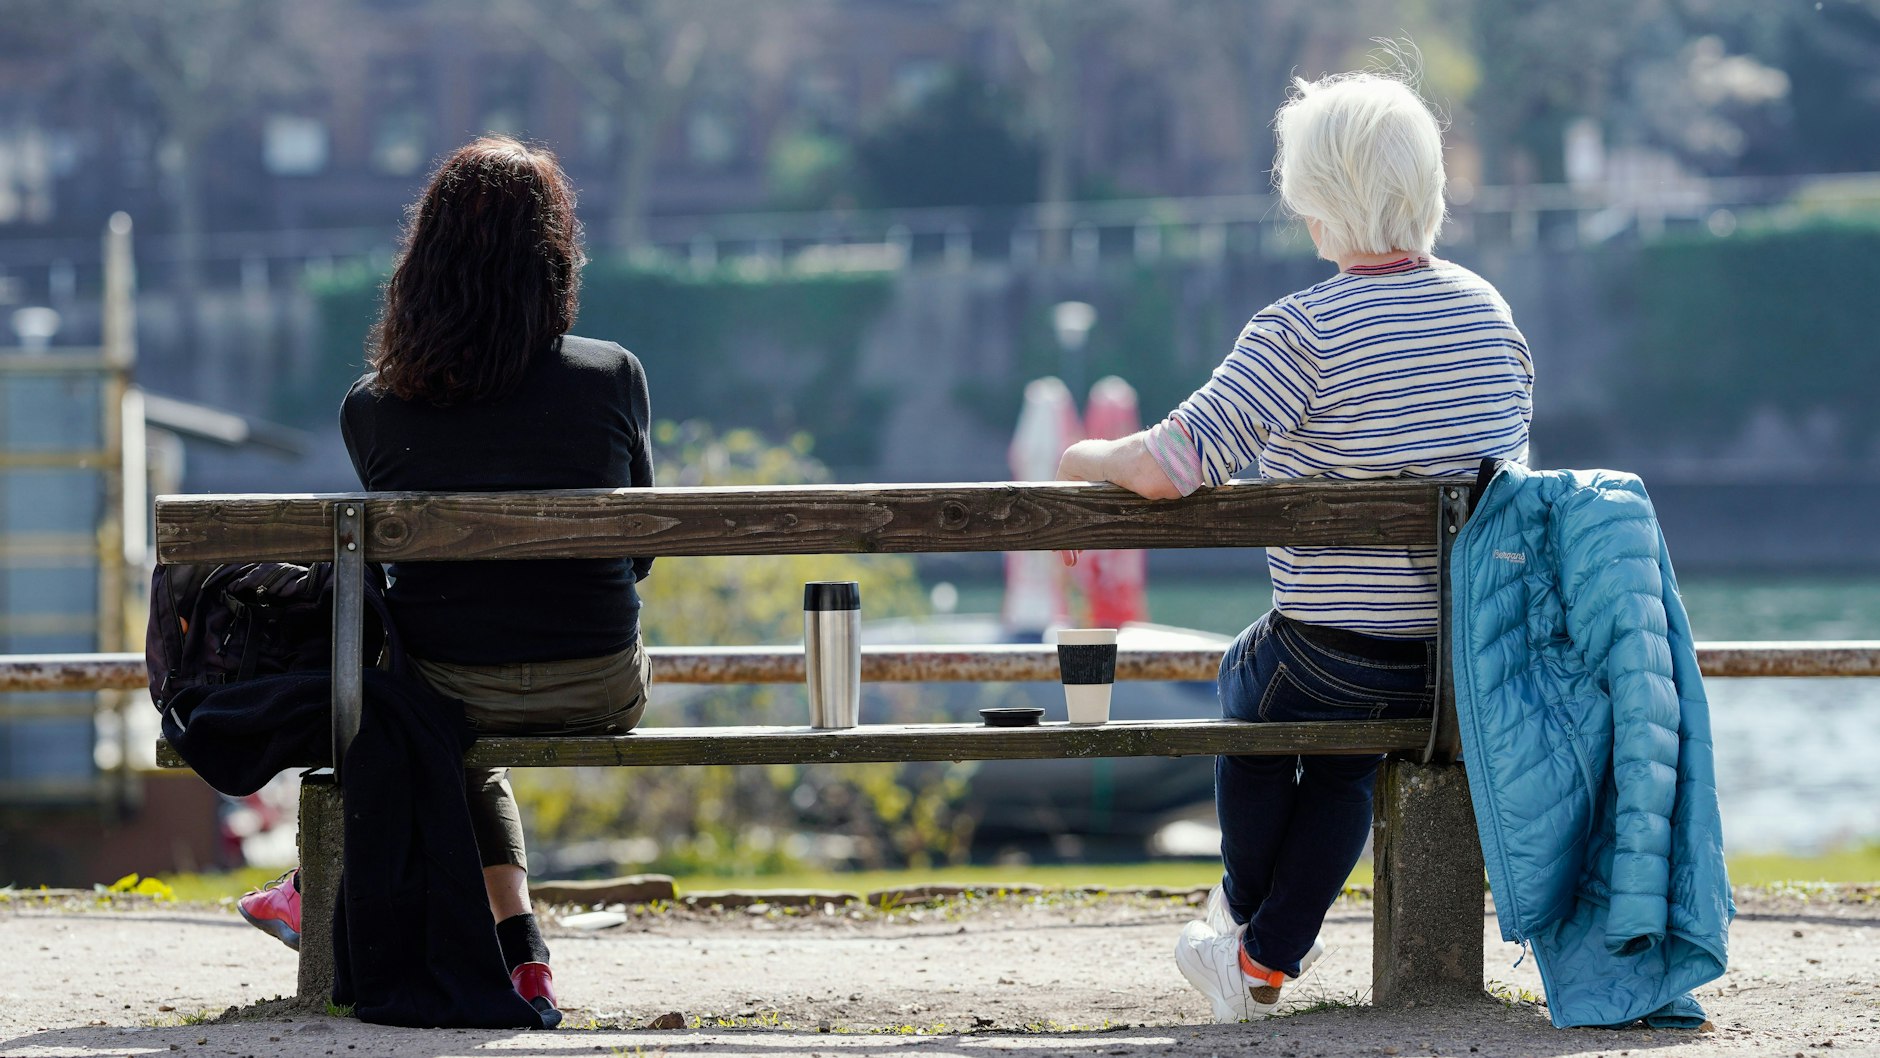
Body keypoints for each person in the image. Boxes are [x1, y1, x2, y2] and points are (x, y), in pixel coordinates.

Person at [1056, 71, 1533, 1022]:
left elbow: (1171, 463)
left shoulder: (1303, 331)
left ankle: (1241, 914)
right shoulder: (1489, 314)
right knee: (1342, 762)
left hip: (1331, 656)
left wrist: (1083, 456)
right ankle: (1262, 960)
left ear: (1318, 199)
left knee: (1250, 685)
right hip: (1458, 663)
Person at [238, 136, 655, 1028]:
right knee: (446, 721)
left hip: (450, 685)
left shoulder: (372, 407)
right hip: (601, 682)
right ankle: (523, 955)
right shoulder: (612, 377)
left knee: (431, 712)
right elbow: (642, 553)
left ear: (423, 264)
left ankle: (333, 894)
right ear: (554, 257)